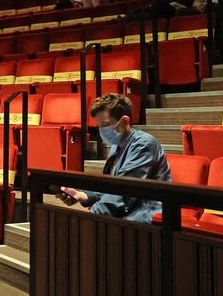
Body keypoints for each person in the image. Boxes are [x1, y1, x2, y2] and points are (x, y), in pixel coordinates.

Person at [57, 94, 171, 224]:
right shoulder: (117, 145)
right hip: (127, 211)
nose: (102, 131)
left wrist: (91, 217)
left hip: (147, 215)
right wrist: (83, 196)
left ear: (125, 121)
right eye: (99, 126)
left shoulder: (144, 144)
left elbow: (124, 191)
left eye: (105, 125)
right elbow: (110, 187)